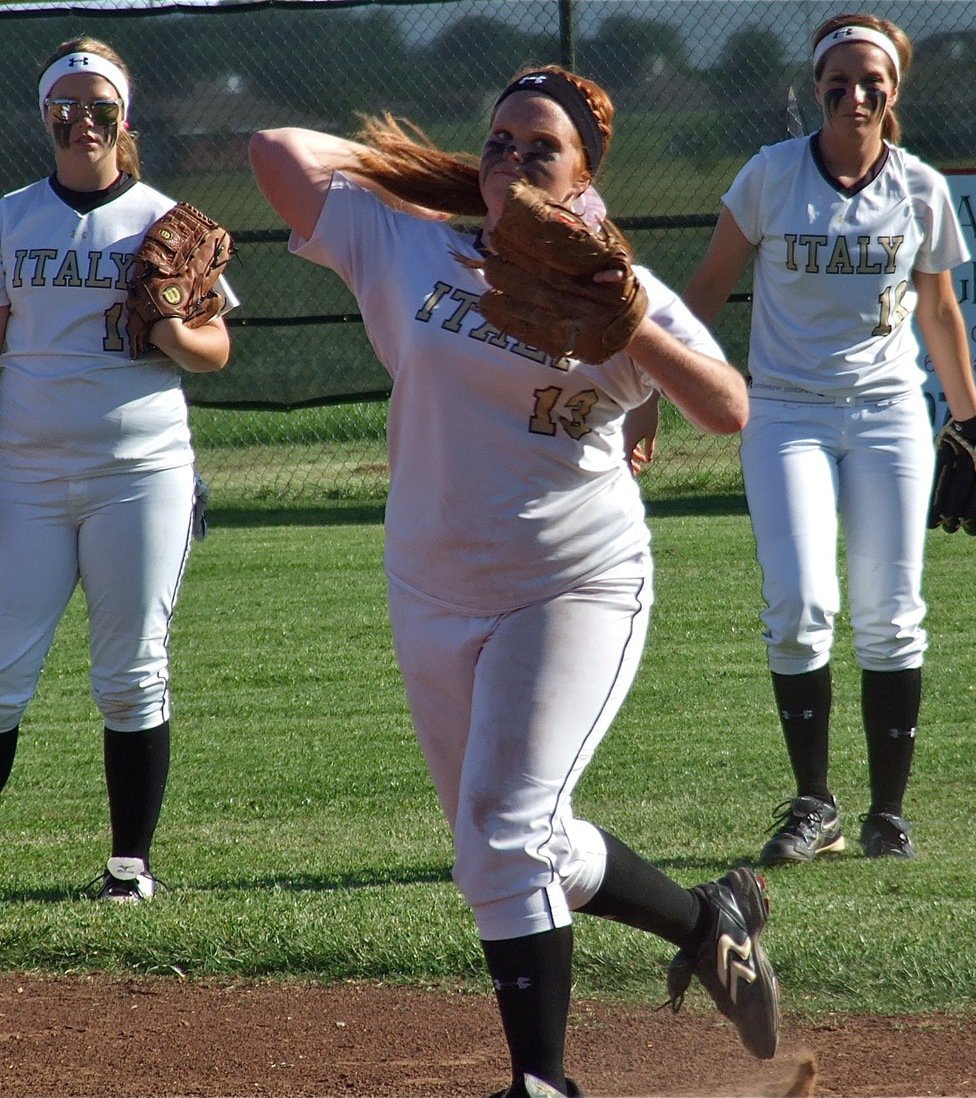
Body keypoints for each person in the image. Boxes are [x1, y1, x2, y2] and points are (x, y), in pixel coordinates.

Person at [249, 65, 778, 1098]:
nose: (515, 158)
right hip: (433, 587)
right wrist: (447, 180)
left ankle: (543, 1085)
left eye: (543, 147)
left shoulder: (622, 289)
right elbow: (277, 153)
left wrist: (627, 325)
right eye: (499, 141)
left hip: (572, 586)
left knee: (502, 838)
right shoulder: (412, 243)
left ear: (589, 178)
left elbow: (728, 407)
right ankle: (707, 919)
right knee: (512, 847)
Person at [0, 36, 234, 907]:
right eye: (64, 107)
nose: (82, 120)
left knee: (131, 670)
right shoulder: (11, 217)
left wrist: (173, 332)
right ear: (45, 117)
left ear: (125, 116)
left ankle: (128, 870)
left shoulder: (164, 218)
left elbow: (216, 349)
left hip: (140, 471)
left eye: (99, 105)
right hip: (30, 478)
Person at [681, 13, 976, 865]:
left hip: (890, 412)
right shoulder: (772, 176)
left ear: (895, 90)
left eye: (872, 82)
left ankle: (888, 814)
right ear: (815, 88)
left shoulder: (920, 187)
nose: (855, 95)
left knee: (892, 616)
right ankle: (816, 806)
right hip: (784, 411)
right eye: (838, 82)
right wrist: (645, 388)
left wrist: (971, 421)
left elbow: (937, 309)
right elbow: (703, 291)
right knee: (801, 605)